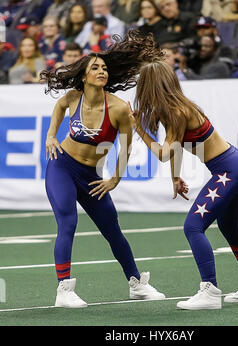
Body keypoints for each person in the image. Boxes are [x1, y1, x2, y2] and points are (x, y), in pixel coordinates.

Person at [39, 30, 166, 308]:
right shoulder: (74, 97)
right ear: (84, 75)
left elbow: (126, 148)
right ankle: (64, 290)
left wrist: (115, 179)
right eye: (95, 67)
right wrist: (50, 136)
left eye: (104, 68)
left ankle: (136, 284)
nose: (101, 71)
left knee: (112, 230)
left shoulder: (119, 108)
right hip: (62, 167)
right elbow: (59, 107)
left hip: (92, 178)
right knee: (67, 223)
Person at [128, 58, 238, 310]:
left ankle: (209, 291)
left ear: (152, 88)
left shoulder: (177, 112)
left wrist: (138, 127)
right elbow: (176, 148)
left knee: (193, 226)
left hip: (227, 169)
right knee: (231, 229)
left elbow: (163, 152)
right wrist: (174, 177)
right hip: (231, 165)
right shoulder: (174, 108)